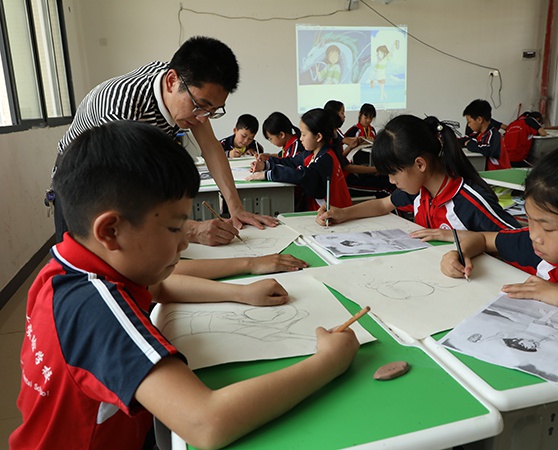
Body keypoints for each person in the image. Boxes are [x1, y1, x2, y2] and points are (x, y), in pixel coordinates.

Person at [9, 121, 359, 449]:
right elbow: (206, 422)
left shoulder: (69, 268)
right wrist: (328, 362)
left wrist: (240, 292)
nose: (183, 243)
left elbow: (161, 288)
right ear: (111, 231)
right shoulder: (94, 307)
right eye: (176, 228)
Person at [50, 35, 278, 247]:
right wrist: (191, 230)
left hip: (127, 177)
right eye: (200, 106)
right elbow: (123, 192)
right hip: (84, 184)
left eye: (213, 111)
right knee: (89, 262)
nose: (203, 118)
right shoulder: (121, 108)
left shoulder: (181, 84)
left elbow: (210, 147)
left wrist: (236, 208)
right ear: (171, 81)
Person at [440, 143, 558, 342]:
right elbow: (482, 239)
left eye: (548, 228)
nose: (534, 235)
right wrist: (460, 253)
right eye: (530, 220)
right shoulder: (536, 246)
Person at [316, 115, 521, 239]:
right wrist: (343, 213)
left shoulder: (468, 201)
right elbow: (382, 205)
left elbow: (516, 240)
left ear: (420, 164)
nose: (391, 181)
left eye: (394, 173)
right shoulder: (420, 191)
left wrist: (459, 238)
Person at [247, 108, 352, 211]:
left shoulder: (325, 158)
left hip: (335, 215)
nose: (300, 138)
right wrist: (265, 165)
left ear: (318, 137)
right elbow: (291, 162)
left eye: (304, 134)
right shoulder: (311, 153)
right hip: (321, 212)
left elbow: (302, 176)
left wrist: (268, 174)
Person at [323, 101, 395, 198]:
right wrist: (378, 169)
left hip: (349, 174)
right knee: (386, 187)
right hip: (344, 180)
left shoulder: (372, 130)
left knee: (385, 179)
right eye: (342, 113)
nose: (344, 116)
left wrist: (350, 147)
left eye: (371, 118)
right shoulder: (338, 133)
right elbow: (347, 166)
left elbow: (339, 158)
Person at [462, 99, 511, 170]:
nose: (469, 125)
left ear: (479, 120)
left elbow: (487, 149)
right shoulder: (478, 134)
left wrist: (469, 144)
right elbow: (466, 139)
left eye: (469, 122)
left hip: (499, 173)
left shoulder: (493, 134)